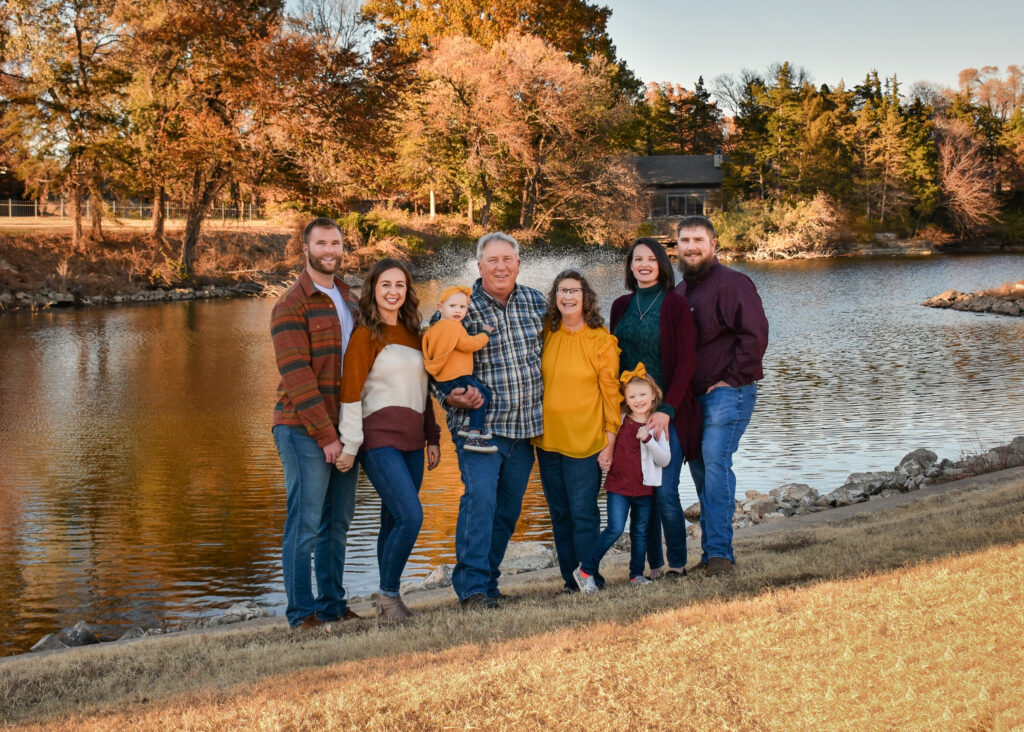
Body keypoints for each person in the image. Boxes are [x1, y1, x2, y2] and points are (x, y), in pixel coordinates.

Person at [434, 232, 546, 609]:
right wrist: (446, 394)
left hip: (525, 427)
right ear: (479, 265)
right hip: (479, 428)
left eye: (507, 259)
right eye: (492, 260)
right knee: (480, 500)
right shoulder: (458, 306)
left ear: (518, 263)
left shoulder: (535, 301)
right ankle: (472, 588)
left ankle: (490, 582)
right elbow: (431, 359)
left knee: (508, 509)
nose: (501, 266)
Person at [337, 258, 441, 620]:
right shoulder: (367, 334)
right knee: (411, 516)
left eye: (400, 285)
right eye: (386, 285)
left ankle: (386, 601)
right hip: (378, 440)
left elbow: (423, 391)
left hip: (414, 441)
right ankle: (389, 596)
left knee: (393, 521)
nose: (393, 291)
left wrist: (432, 437)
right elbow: (350, 392)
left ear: (407, 291)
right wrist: (350, 445)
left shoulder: (415, 334)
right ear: (373, 290)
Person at [270, 216, 359, 630]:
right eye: (321, 243)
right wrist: (327, 437)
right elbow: (298, 377)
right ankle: (301, 614)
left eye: (336, 243)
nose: (330, 250)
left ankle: (332, 605)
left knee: (337, 522)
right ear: (305, 249)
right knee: (305, 523)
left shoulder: (348, 297)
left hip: (346, 427)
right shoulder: (291, 305)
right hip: (302, 428)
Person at [675, 216, 769, 576]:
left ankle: (720, 557)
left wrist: (732, 378)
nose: (691, 246)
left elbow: (755, 335)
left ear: (714, 244)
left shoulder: (732, 283)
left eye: (698, 239)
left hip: (729, 393)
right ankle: (711, 554)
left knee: (715, 461)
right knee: (701, 471)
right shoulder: (681, 293)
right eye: (685, 240)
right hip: (693, 401)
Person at [609, 237, 700, 580]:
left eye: (650, 259)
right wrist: (617, 408)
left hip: (665, 414)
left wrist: (667, 409)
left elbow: (686, 361)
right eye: (637, 259)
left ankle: (677, 562)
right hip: (630, 416)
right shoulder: (621, 305)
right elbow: (614, 358)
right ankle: (654, 567)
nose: (643, 264)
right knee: (640, 493)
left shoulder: (675, 305)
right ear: (630, 266)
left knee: (664, 491)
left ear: (661, 264)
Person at [532, 270, 621, 594]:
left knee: (583, 514)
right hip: (547, 440)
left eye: (574, 291)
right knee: (560, 515)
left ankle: (591, 578)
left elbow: (612, 395)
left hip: (585, 442)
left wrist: (610, 441)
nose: (567, 297)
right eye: (562, 291)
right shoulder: (547, 333)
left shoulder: (600, 340)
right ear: (555, 296)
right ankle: (571, 581)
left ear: (586, 298)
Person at [574, 364, 670, 592]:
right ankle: (585, 570)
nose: (638, 400)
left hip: (645, 488)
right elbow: (609, 445)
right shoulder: (619, 420)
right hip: (618, 486)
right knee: (615, 528)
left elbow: (665, 459)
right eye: (632, 396)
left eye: (643, 395)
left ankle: (636, 575)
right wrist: (605, 458)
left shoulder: (656, 425)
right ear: (625, 399)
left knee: (639, 532)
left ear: (653, 395)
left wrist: (648, 440)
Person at [422, 285, 497, 454]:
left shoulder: (432, 329)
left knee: (484, 393)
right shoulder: (454, 327)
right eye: (452, 306)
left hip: (444, 380)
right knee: (482, 398)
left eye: (462, 307)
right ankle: (474, 435)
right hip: (458, 377)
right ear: (440, 307)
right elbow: (470, 344)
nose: (458, 311)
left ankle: (467, 424)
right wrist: (485, 333)